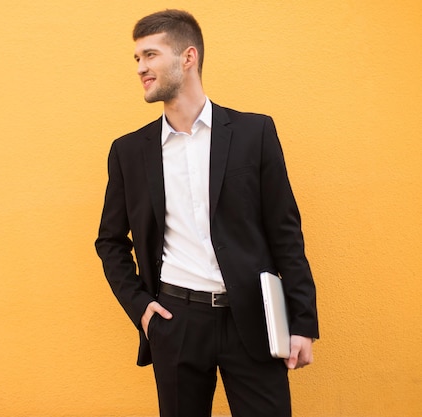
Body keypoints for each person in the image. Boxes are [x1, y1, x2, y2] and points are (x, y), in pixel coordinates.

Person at [95, 9, 319, 417]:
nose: (141, 68)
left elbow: (286, 231)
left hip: (252, 318)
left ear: (188, 57)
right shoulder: (129, 151)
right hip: (176, 322)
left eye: (150, 55)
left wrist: (302, 321)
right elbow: (109, 241)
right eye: (137, 60)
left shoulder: (255, 133)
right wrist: (142, 309)